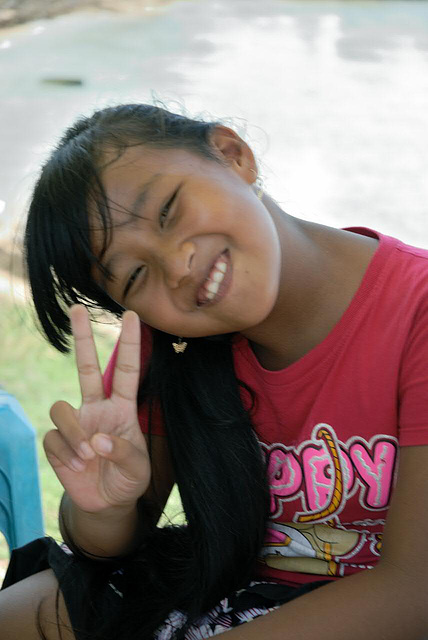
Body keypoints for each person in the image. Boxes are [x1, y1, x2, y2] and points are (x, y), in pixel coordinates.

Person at [0, 103, 427, 640]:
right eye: (134, 275)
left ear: (233, 155)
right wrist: (108, 506)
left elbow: (416, 589)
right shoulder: (176, 348)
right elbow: (105, 547)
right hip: (239, 591)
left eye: (168, 211)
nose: (177, 267)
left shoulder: (416, 311)